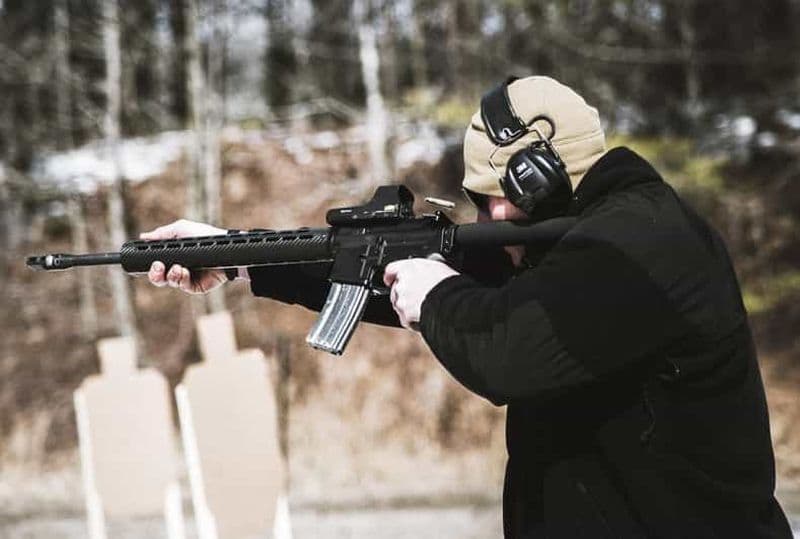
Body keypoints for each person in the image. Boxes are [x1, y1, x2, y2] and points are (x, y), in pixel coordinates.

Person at [143, 76, 792, 538]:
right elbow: (395, 274)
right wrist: (236, 252)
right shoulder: (568, 240)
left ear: (534, 179)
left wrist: (434, 293)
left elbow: (503, 354)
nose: (485, 220)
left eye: (489, 199)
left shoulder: (637, 243)